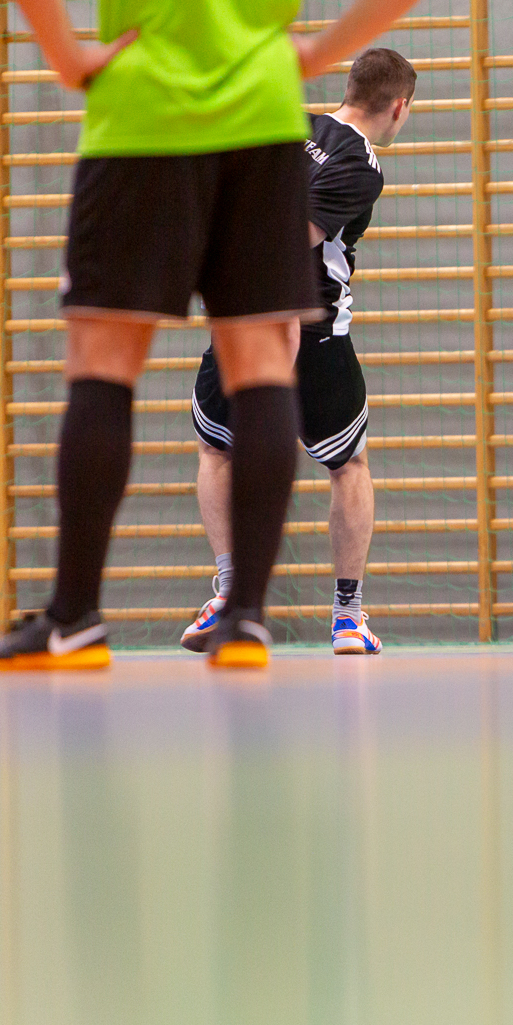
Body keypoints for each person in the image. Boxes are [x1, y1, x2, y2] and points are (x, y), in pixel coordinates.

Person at [0, 0, 451, 671]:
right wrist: (318, 49)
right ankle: (248, 620)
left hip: (141, 117)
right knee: (260, 365)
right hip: (259, 122)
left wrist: (70, 56)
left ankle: (74, 618)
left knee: (103, 368)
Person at [183, 48, 413, 657]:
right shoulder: (361, 166)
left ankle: (229, 593)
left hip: (244, 322)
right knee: (349, 467)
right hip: (312, 332)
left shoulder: (290, 126)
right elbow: (287, 241)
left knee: (217, 449)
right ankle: (348, 617)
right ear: (398, 107)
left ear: (348, 87)